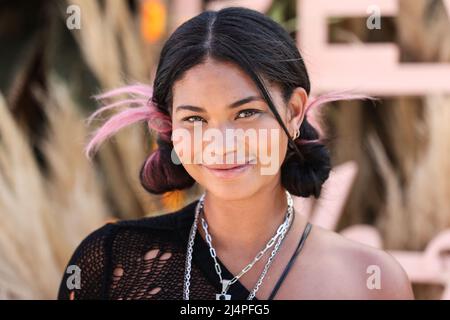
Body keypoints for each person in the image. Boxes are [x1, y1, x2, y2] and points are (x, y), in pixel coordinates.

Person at [57, 7, 414, 300]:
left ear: (294, 112)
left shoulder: (373, 282)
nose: (221, 142)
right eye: (195, 118)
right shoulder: (113, 263)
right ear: (171, 126)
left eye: (246, 113)